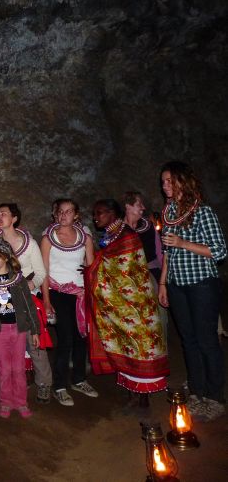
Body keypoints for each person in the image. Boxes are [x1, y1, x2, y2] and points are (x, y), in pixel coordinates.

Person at [159, 161, 227, 421]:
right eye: (163, 181)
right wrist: (163, 283)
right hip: (177, 284)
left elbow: (219, 251)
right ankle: (197, 390)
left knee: (206, 339)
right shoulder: (168, 213)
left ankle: (214, 396)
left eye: (169, 181)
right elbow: (167, 253)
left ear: (182, 182)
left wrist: (183, 242)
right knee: (188, 339)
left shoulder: (202, 212)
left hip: (202, 285)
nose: (165, 185)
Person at [87, 199, 169, 413]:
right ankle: (133, 395)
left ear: (113, 213)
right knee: (125, 345)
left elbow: (125, 272)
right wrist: (94, 268)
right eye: (94, 213)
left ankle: (144, 400)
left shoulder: (127, 236)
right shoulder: (113, 235)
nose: (95, 217)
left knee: (141, 348)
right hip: (122, 306)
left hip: (137, 305)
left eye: (100, 213)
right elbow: (107, 264)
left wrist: (94, 269)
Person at [0, 203, 53, 404]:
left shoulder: (30, 243)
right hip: (4, 301)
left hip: (27, 301)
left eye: (3, 213)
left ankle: (44, 384)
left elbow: (41, 273)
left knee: (35, 343)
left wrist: (29, 284)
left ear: (14, 218)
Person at [41, 198, 97, 406]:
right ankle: (59, 386)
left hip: (80, 294)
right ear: (56, 214)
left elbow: (91, 268)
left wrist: (91, 294)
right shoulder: (48, 238)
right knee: (65, 338)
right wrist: (47, 301)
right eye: (61, 211)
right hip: (58, 292)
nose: (64, 215)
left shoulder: (85, 238)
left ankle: (79, 379)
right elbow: (44, 272)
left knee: (81, 337)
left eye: (69, 211)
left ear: (76, 215)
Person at [0, 240, 40, 418]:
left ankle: (21, 402)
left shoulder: (18, 279)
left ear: (5, 257)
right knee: (4, 369)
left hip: (19, 330)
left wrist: (35, 330)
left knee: (19, 368)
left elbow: (29, 305)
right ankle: (6, 402)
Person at [123, 191, 168, 341]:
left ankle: (161, 348)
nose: (143, 208)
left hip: (152, 273)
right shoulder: (117, 229)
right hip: (128, 278)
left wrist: (164, 279)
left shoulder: (148, 226)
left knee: (159, 316)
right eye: (139, 204)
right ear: (128, 206)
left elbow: (159, 252)